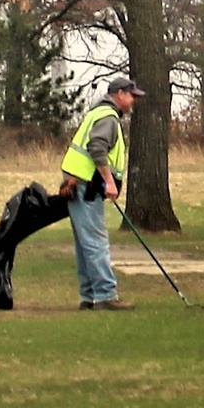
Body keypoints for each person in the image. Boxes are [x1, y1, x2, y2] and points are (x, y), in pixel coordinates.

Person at [59, 77, 145, 312]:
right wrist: (109, 182)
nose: (133, 101)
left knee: (85, 242)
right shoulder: (108, 118)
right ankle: (106, 295)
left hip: (77, 182)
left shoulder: (98, 113)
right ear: (119, 94)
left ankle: (89, 295)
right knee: (96, 241)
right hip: (85, 184)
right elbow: (96, 147)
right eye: (131, 95)